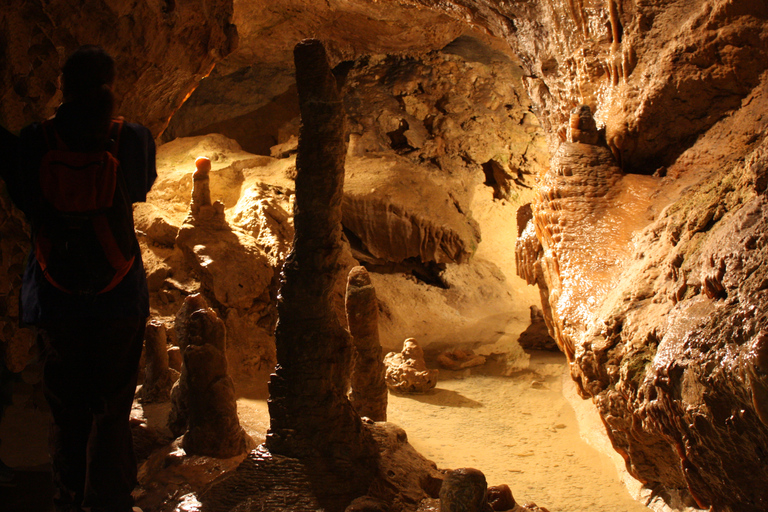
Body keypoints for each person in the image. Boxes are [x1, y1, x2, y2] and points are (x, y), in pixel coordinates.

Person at [9, 45, 156, 512]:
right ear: (111, 86)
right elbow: (142, 185)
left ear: (62, 87)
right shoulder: (129, 138)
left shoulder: (34, 141)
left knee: (65, 408)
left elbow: (21, 196)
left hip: (57, 295)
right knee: (112, 409)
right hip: (118, 292)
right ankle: (111, 499)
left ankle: (67, 497)